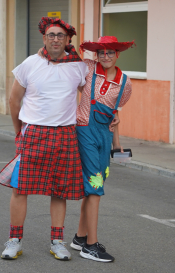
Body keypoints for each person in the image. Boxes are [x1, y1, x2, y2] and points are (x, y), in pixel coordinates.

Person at [0, 17, 87, 261]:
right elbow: (14, 100)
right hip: (34, 132)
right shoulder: (30, 64)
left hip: (65, 133)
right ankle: (14, 240)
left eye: (60, 35)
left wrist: (112, 116)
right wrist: (19, 130)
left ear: (68, 40)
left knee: (60, 190)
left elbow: (90, 96)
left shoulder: (78, 66)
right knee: (20, 188)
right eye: (51, 35)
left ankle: (57, 241)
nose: (55, 38)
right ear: (44, 38)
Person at [69, 36, 134, 262]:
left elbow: (115, 113)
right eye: (101, 52)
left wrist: (117, 143)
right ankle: (90, 246)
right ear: (96, 54)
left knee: (99, 180)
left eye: (110, 52)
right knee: (95, 183)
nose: (105, 56)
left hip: (104, 136)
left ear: (118, 54)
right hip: (84, 130)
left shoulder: (125, 83)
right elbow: (67, 69)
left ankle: (79, 238)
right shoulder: (87, 68)